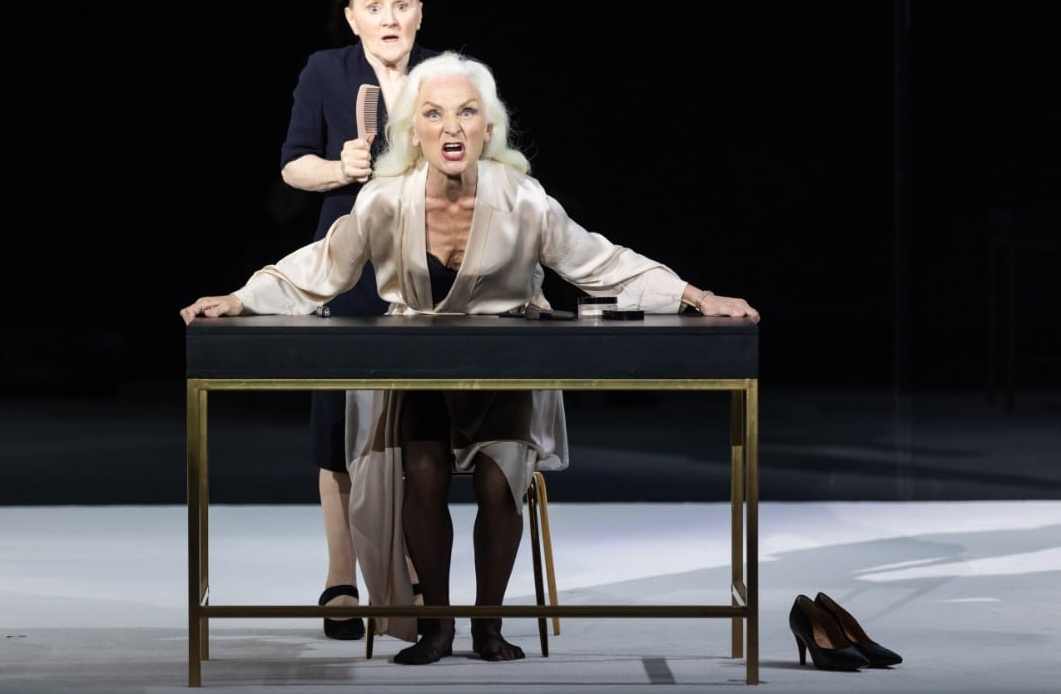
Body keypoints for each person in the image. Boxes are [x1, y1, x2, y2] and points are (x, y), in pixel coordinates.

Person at [180, 51, 760, 665]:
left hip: (502, 371)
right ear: (412, 130)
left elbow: (601, 261)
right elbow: (319, 268)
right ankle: (437, 625)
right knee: (424, 471)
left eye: (466, 112)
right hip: (419, 373)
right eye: (433, 113)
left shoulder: (524, 199)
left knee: (498, 476)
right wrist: (239, 298)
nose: (451, 128)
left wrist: (696, 296)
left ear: (489, 127)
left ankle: (489, 623)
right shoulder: (384, 200)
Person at [276, 0, 437, 640]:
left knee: (414, 423)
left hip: (426, 268)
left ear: (419, 11)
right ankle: (342, 576)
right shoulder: (326, 71)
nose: (389, 17)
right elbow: (292, 164)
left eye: (400, 4)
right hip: (346, 268)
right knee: (338, 426)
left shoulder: (443, 74)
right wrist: (338, 165)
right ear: (353, 17)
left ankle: (409, 566)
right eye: (374, 6)